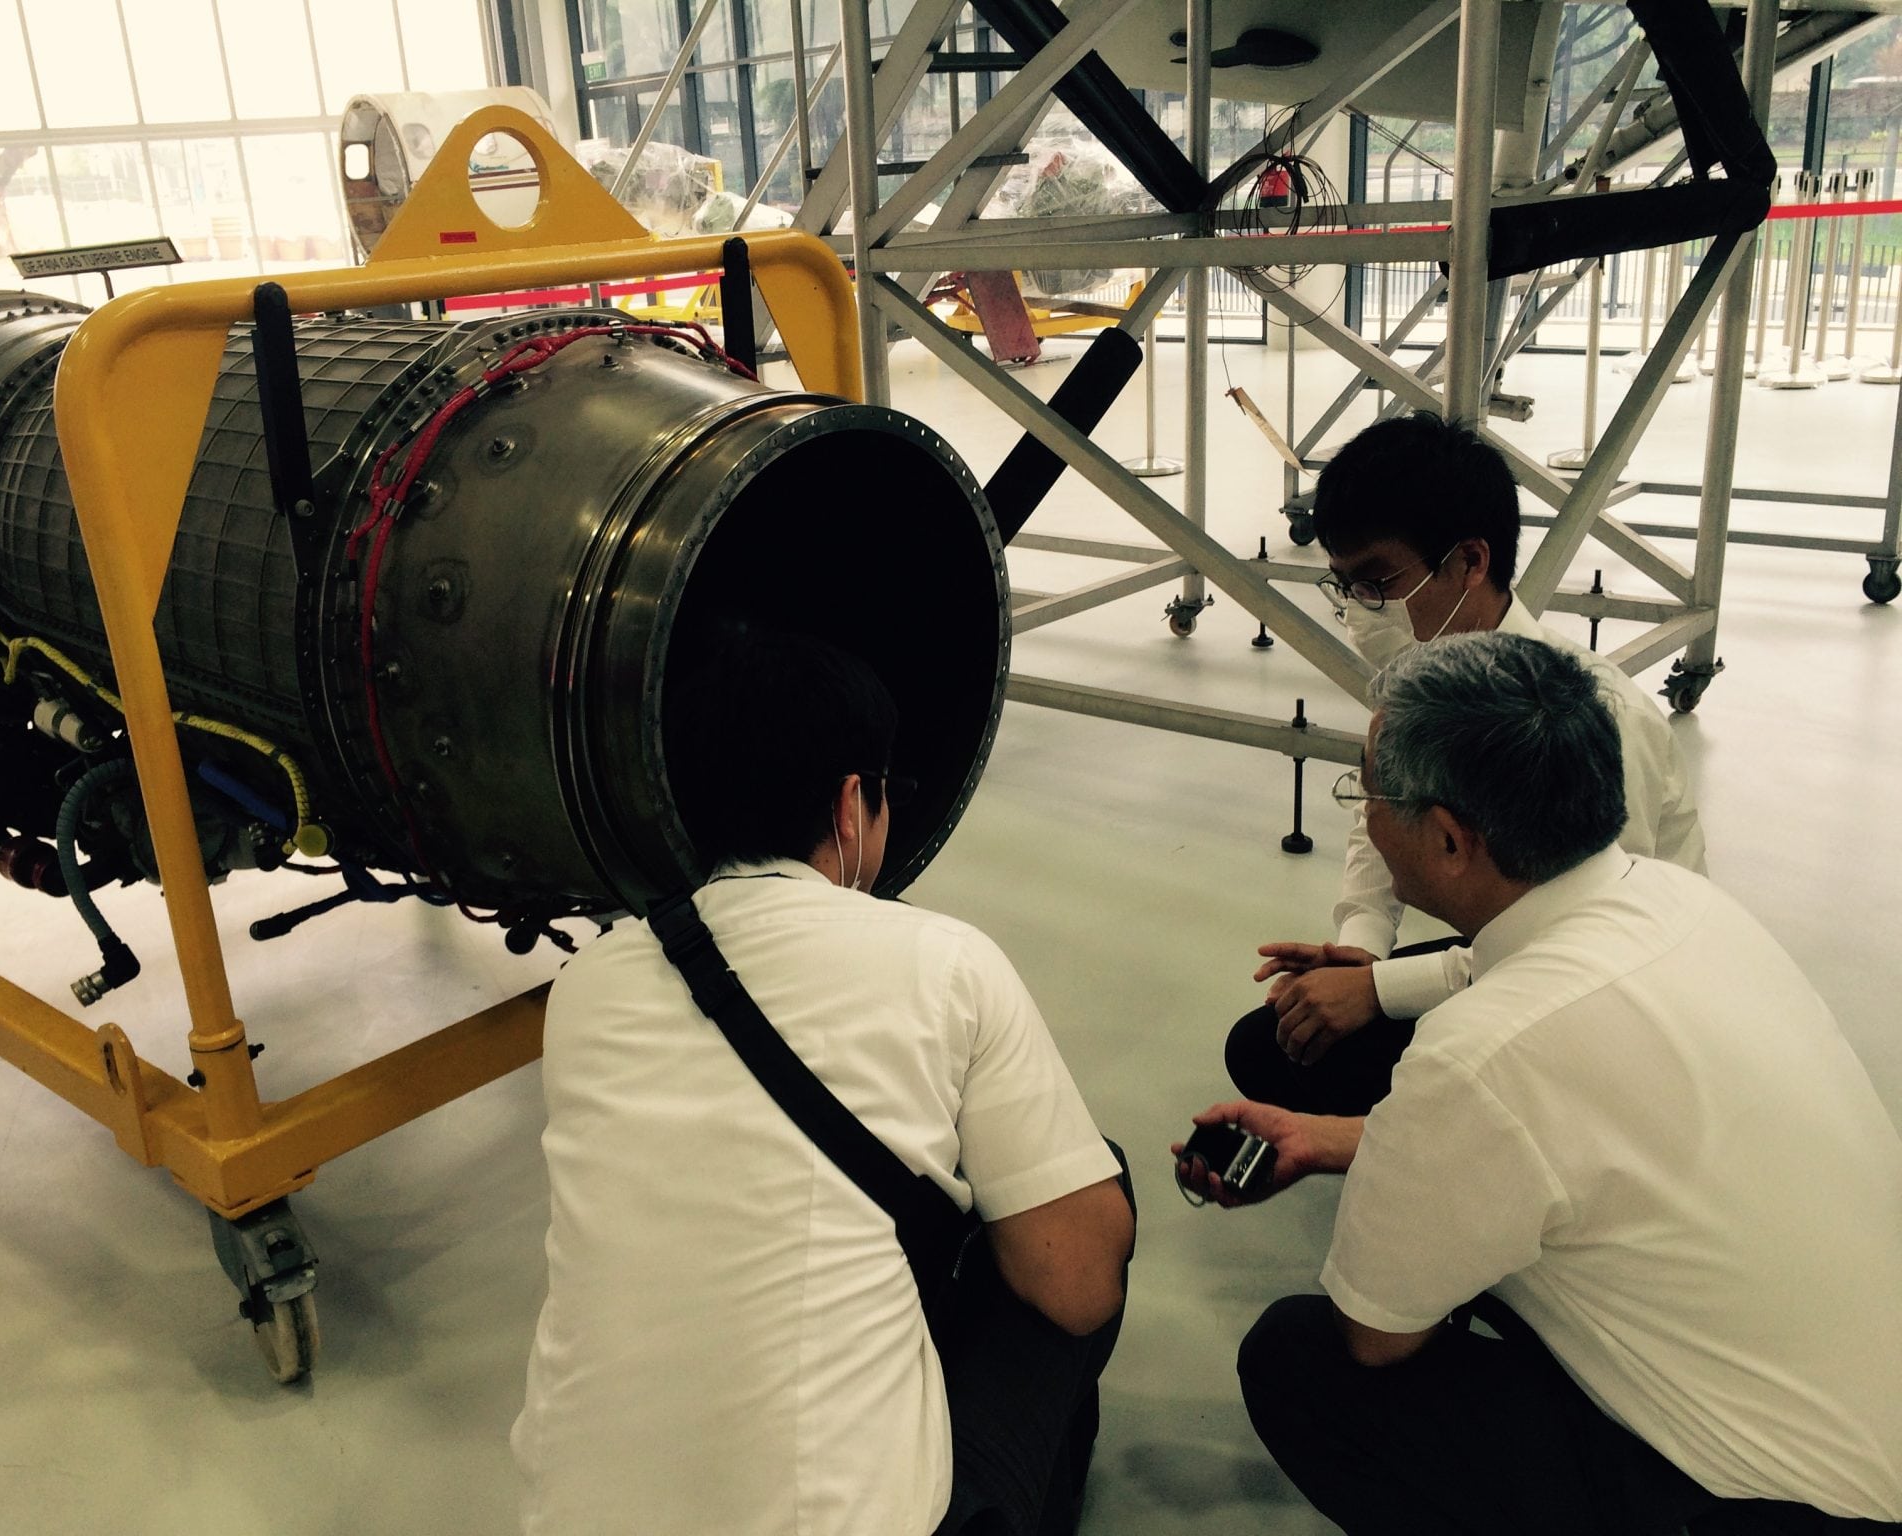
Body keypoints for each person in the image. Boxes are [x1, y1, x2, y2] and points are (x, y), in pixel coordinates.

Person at [1180, 632, 1902, 1534]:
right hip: (1868, 1428)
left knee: (1303, 1363)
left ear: (1448, 839)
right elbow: (1582, 1138)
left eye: (1369, 792)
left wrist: (1401, 1187)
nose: (1363, 813)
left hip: (1768, 1512)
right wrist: (1327, 1140)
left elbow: (1377, 1335)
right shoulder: (1681, 905)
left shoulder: (1479, 1053)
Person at [512, 628, 1135, 1536]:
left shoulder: (588, 984)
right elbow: (1079, 1286)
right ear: (853, 806)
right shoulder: (943, 961)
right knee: (1081, 1202)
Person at [1228, 411, 1706, 1116]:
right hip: (1526, 937)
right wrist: (1362, 948)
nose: (1362, 609)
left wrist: (1383, 992)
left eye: (1379, 581)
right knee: (1273, 1045)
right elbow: (1380, 817)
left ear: (1470, 561)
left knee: (1431, 1077)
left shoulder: (1590, 713)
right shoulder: (1423, 671)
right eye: (1346, 586)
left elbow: (1590, 937)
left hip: (1621, 986)